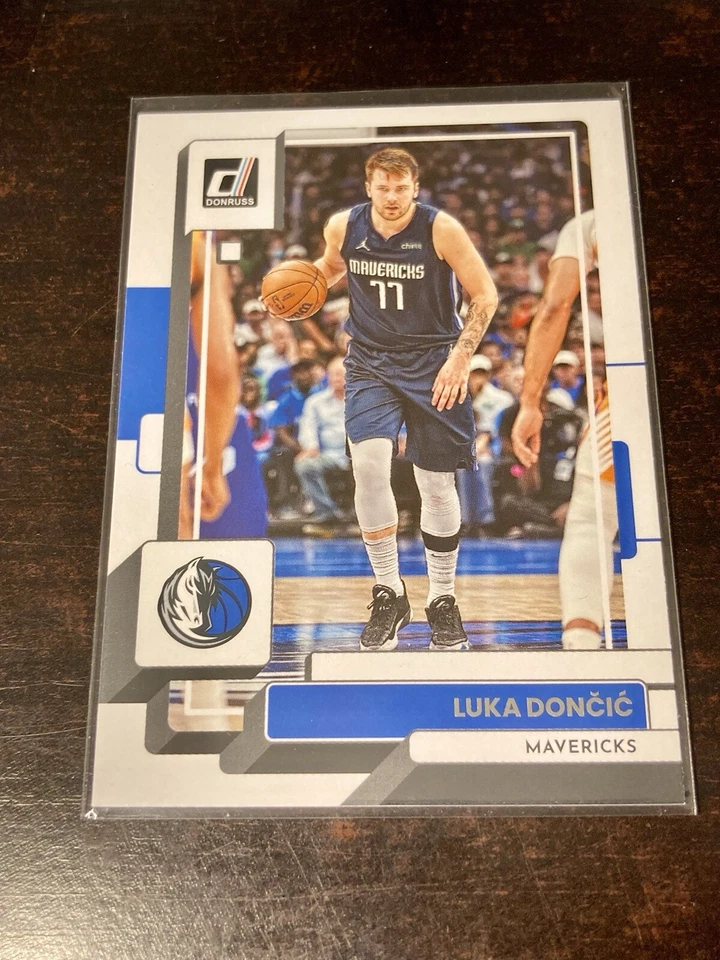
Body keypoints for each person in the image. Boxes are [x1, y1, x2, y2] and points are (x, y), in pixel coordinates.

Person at [313, 147, 498, 651]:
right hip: (370, 361)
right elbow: (329, 268)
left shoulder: (441, 229)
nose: (392, 197)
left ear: (415, 188)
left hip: (436, 361)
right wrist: (301, 288)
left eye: (401, 188)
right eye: (383, 187)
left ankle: (442, 598)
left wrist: (460, 358)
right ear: (368, 188)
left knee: (435, 484)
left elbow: (484, 295)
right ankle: (389, 592)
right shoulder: (343, 226)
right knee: (368, 466)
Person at [511, 209, 617, 650]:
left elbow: (555, 307)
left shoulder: (592, 223)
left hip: (635, 394)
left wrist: (530, 401)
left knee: (592, 517)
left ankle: (582, 637)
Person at [295, 356, 351, 531]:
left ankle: (364, 517)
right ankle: (328, 513)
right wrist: (311, 446)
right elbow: (308, 427)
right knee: (304, 466)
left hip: (358, 453)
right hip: (328, 454)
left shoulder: (360, 399)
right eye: (333, 374)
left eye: (341, 374)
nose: (336, 378)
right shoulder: (315, 402)